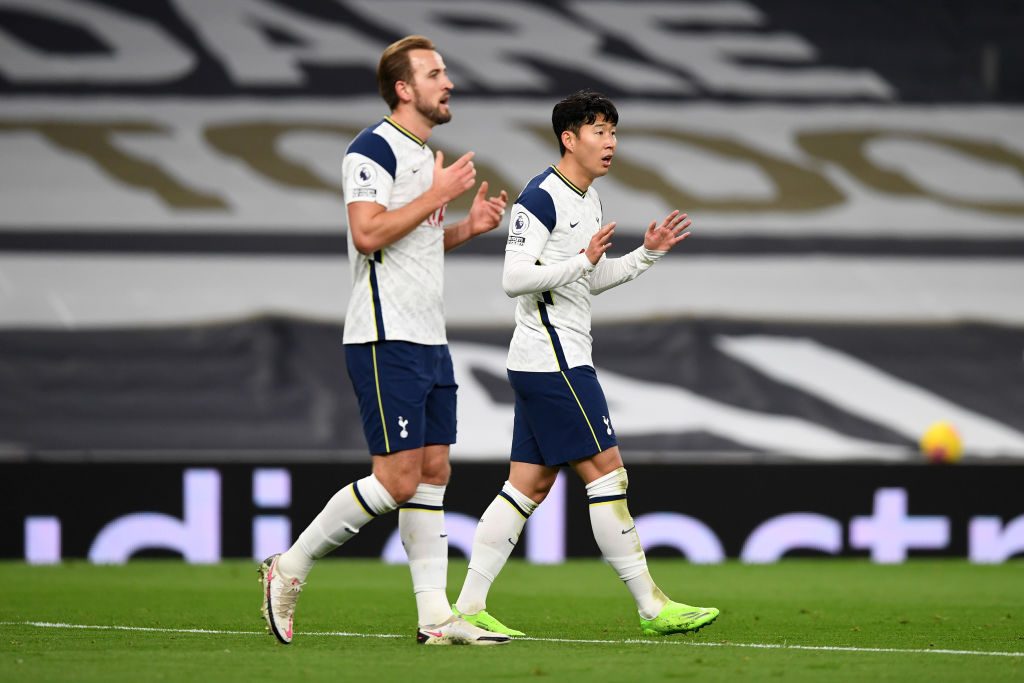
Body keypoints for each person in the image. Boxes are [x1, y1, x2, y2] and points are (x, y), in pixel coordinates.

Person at [259, 35, 510, 646]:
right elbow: (367, 234)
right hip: (383, 335)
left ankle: (435, 619)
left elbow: (414, 242)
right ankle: (289, 566)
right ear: (404, 88)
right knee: (397, 480)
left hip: (428, 335)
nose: (447, 82)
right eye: (435, 73)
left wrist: (466, 227)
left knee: (433, 472)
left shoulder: (426, 157)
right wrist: (440, 195)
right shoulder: (371, 149)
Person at [452, 90, 719, 637]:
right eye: (599, 131)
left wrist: (646, 254)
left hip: (547, 358)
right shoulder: (540, 198)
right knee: (608, 473)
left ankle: (468, 606)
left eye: (614, 131)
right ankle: (651, 605)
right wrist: (580, 260)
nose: (611, 142)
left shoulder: (588, 198)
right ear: (568, 138)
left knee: (526, 486)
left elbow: (588, 280)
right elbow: (514, 278)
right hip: (555, 361)